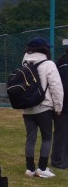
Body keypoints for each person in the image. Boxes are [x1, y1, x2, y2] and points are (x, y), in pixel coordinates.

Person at [19, 37, 63, 178]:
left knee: (30, 138)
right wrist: (58, 106)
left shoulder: (24, 63)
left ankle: (30, 169)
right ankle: (42, 168)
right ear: (44, 49)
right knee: (47, 137)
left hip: (27, 108)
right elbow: (56, 87)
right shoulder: (48, 64)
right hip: (44, 107)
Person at [51, 40, 68, 169]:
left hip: (62, 105)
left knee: (62, 134)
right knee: (61, 134)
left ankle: (62, 160)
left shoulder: (60, 64)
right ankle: (58, 161)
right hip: (63, 107)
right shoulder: (64, 67)